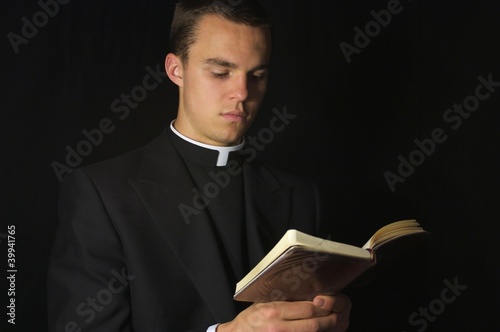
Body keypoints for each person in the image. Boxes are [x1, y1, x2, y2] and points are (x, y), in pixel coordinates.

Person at [47, 0, 351, 331]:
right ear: (176, 69)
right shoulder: (102, 194)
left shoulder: (303, 197)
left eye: (257, 75)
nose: (242, 92)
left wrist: (327, 318)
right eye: (220, 72)